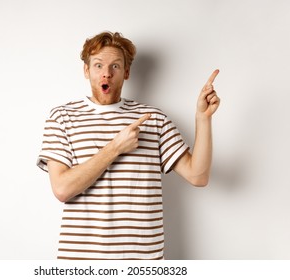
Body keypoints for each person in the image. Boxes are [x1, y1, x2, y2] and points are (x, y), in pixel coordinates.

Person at [37, 31, 220, 260]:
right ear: (86, 71)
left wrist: (203, 119)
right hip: (81, 263)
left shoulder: (153, 119)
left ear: (126, 72)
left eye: (115, 66)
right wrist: (115, 148)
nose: (106, 73)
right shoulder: (62, 118)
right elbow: (62, 189)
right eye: (98, 65)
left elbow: (198, 176)